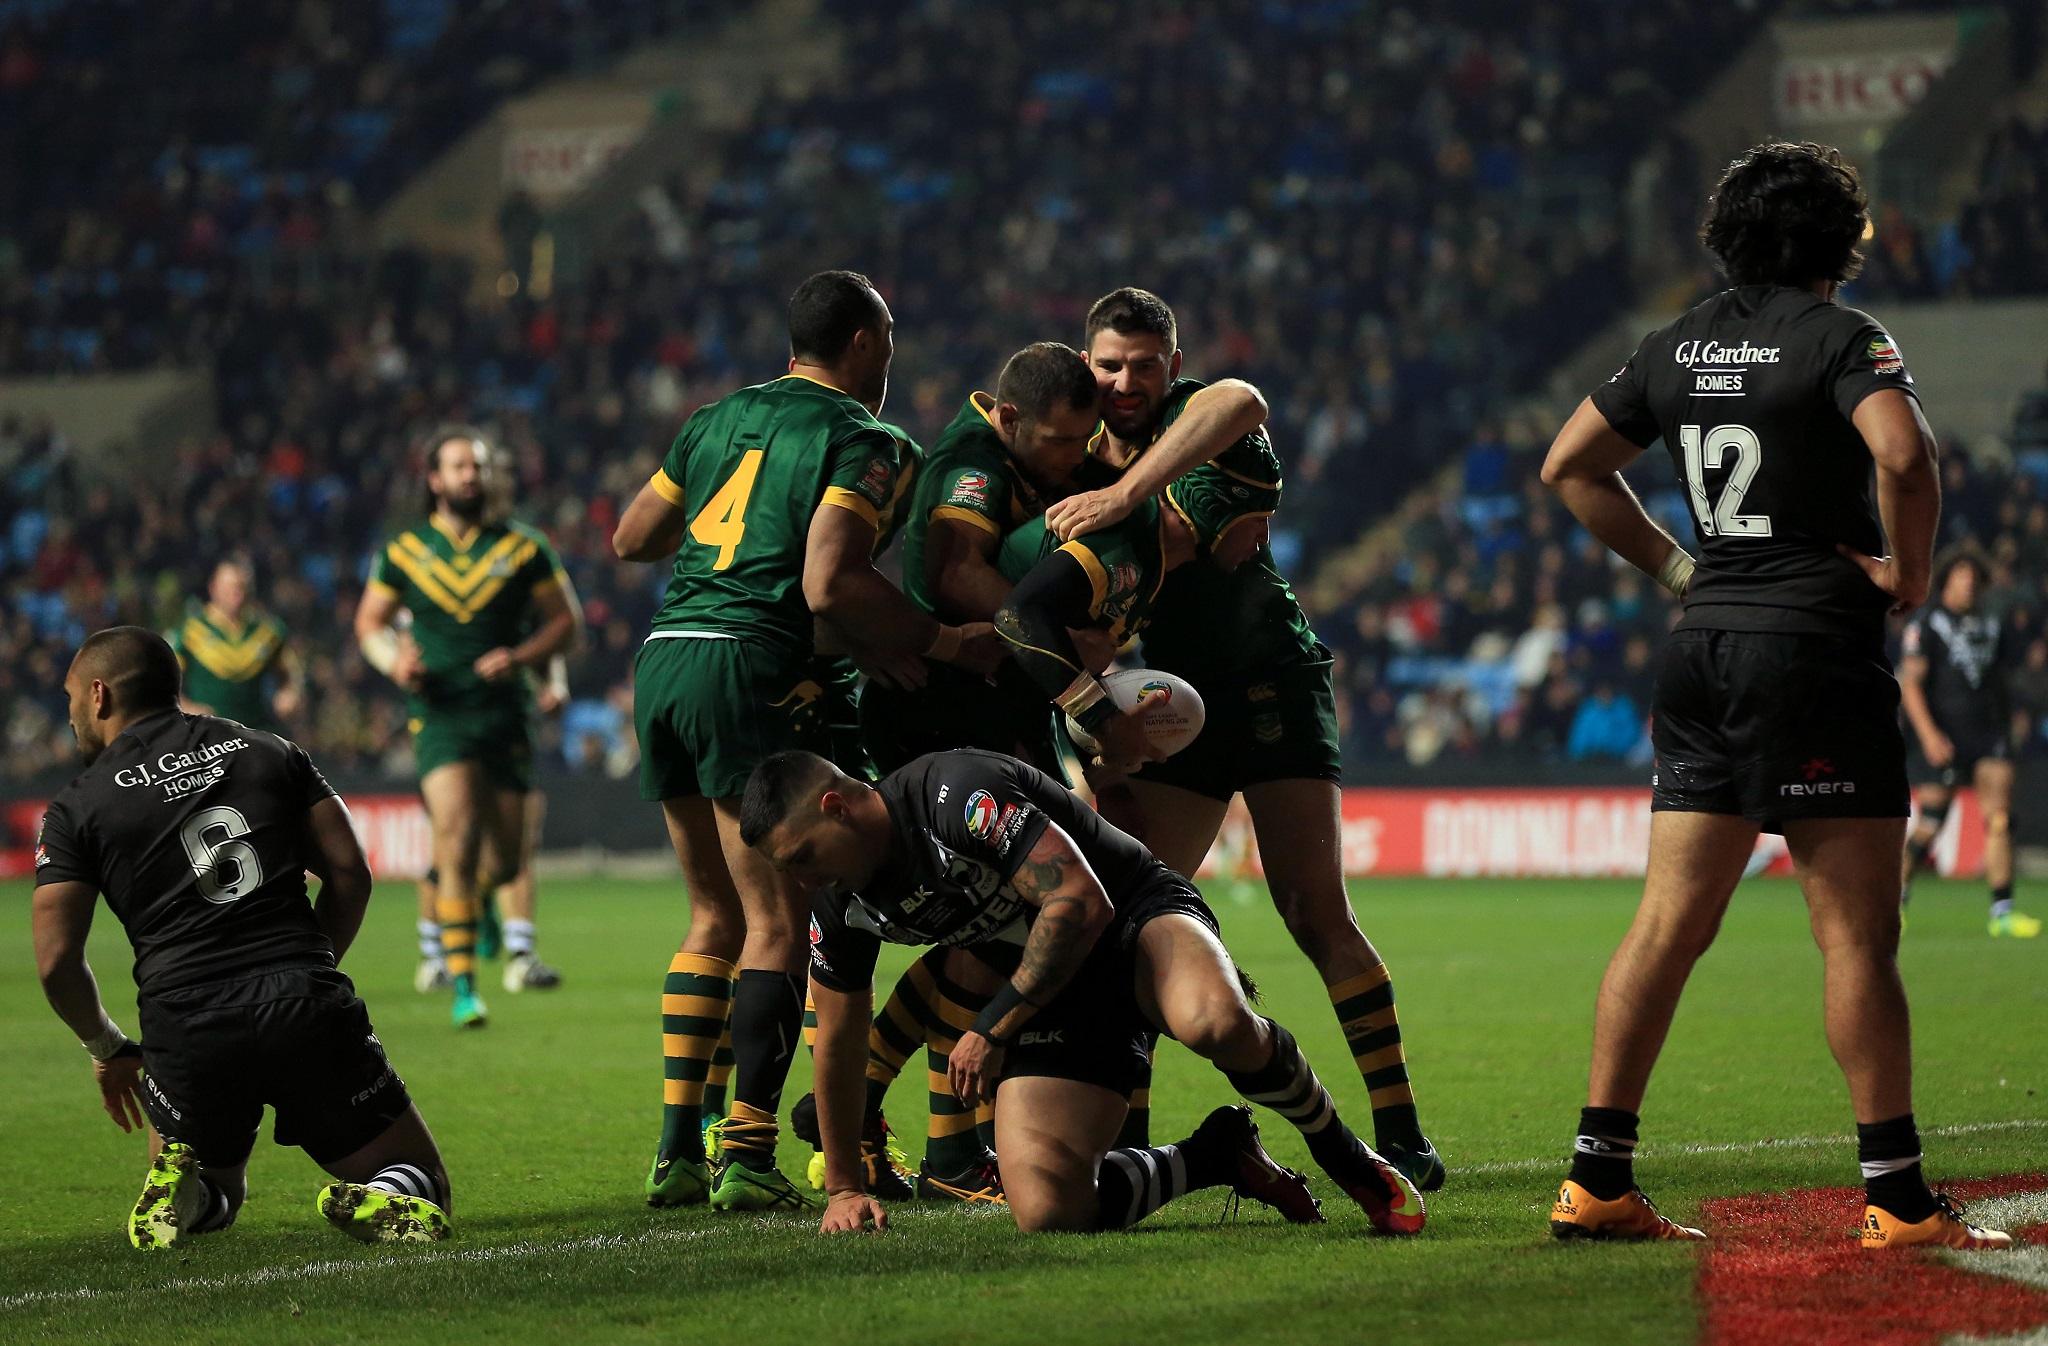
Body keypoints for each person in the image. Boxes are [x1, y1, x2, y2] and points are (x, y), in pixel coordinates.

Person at [1539, 140, 2009, 1250]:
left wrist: (1673, 569)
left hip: (1700, 648)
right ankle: (1895, 1200)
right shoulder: (1842, 336)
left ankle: (1593, 1179)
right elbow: (1904, 452)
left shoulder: (1673, 341)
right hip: (1809, 652)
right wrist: (1906, 573)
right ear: (1839, 240)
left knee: (1664, 925)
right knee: (1854, 935)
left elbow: (1567, 464)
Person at [610, 270, 1002, 1212]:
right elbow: (829, 586)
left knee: (714, 917)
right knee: (781, 925)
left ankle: (678, 1153)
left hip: (667, 658)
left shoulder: (714, 419)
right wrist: (941, 640)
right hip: (754, 670)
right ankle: (745, 1152)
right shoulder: (865, 438)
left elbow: (631, 538)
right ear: (866, 344)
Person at [1044, 288, 1443, 1190]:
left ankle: (1402, 1129)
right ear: (1086, 362)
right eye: (1109, 365)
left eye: (1146, 365)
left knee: (1313, 911)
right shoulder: (1072, 458)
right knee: (1127, 924)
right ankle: (1126, 1135)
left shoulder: (1210, 428)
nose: (1125, 382)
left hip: (1273, 688)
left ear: (1173, 366)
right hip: (1175, 708)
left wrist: (1120, 497)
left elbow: (1230, 429)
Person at [739, 748, 1426, 1237]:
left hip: (1134, 919)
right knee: (1047, 1209)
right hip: (1055, 994)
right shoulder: (842, 901)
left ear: (837, 807)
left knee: (1212, 1020)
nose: (802, 881)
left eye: (802, 856)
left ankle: (1346, 1155)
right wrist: (844, 1187)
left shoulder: (957, 796)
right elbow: (835, 1040)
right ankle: (1214, 1156)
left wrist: (995, 1024)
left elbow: (1078, 901)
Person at [32, 628, 451, 1249]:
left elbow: (55, 959)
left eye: (69, 697)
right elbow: (349, 872)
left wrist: (109, 1046)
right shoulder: (265, 749)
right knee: (425, 1182)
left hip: (185, 1023)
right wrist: (311, 968)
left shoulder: (75, 808)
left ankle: (191, 1190)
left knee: (218, 1192)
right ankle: (387, 1195)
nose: (69, 714)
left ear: (98, 695)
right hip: (301, 1000)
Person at [355, 427, 581, 1029]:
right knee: (452, 839)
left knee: (506, 862)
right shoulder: (402, 552)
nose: (470, 476)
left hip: (507, 713)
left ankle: (480, 906)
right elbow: (370, 625)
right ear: (434, 479)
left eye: (477, 466)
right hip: (441, 715)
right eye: (458, 466)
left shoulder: (525, 548)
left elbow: (567, 624)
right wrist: (393, 661)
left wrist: (524, 658)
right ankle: (463, 989)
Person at [1899, 548, 2038, 936]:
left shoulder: (1993, 623)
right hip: (1944, 735)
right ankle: (1897, 901)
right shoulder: (1926, 624)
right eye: (1961, 574)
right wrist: (1928, 735)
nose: (1968, 582)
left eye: (1974, 576)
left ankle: (2003, 913)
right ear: (1946, 579)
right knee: (1931, 824)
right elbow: (1910, 684)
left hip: (1988, 733)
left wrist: (2016, 716)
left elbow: (2005, 674)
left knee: (2000, 819)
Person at [166, 558, 304, 733]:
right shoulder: (190, 632)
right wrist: (186, 707)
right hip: (206, 736)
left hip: (255, 731)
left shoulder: (267, 631)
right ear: (213, 588)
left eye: (242, 587)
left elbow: (290, 672)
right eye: (230, 588)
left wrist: (289, 693)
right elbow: (162, 681)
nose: (237, 594)